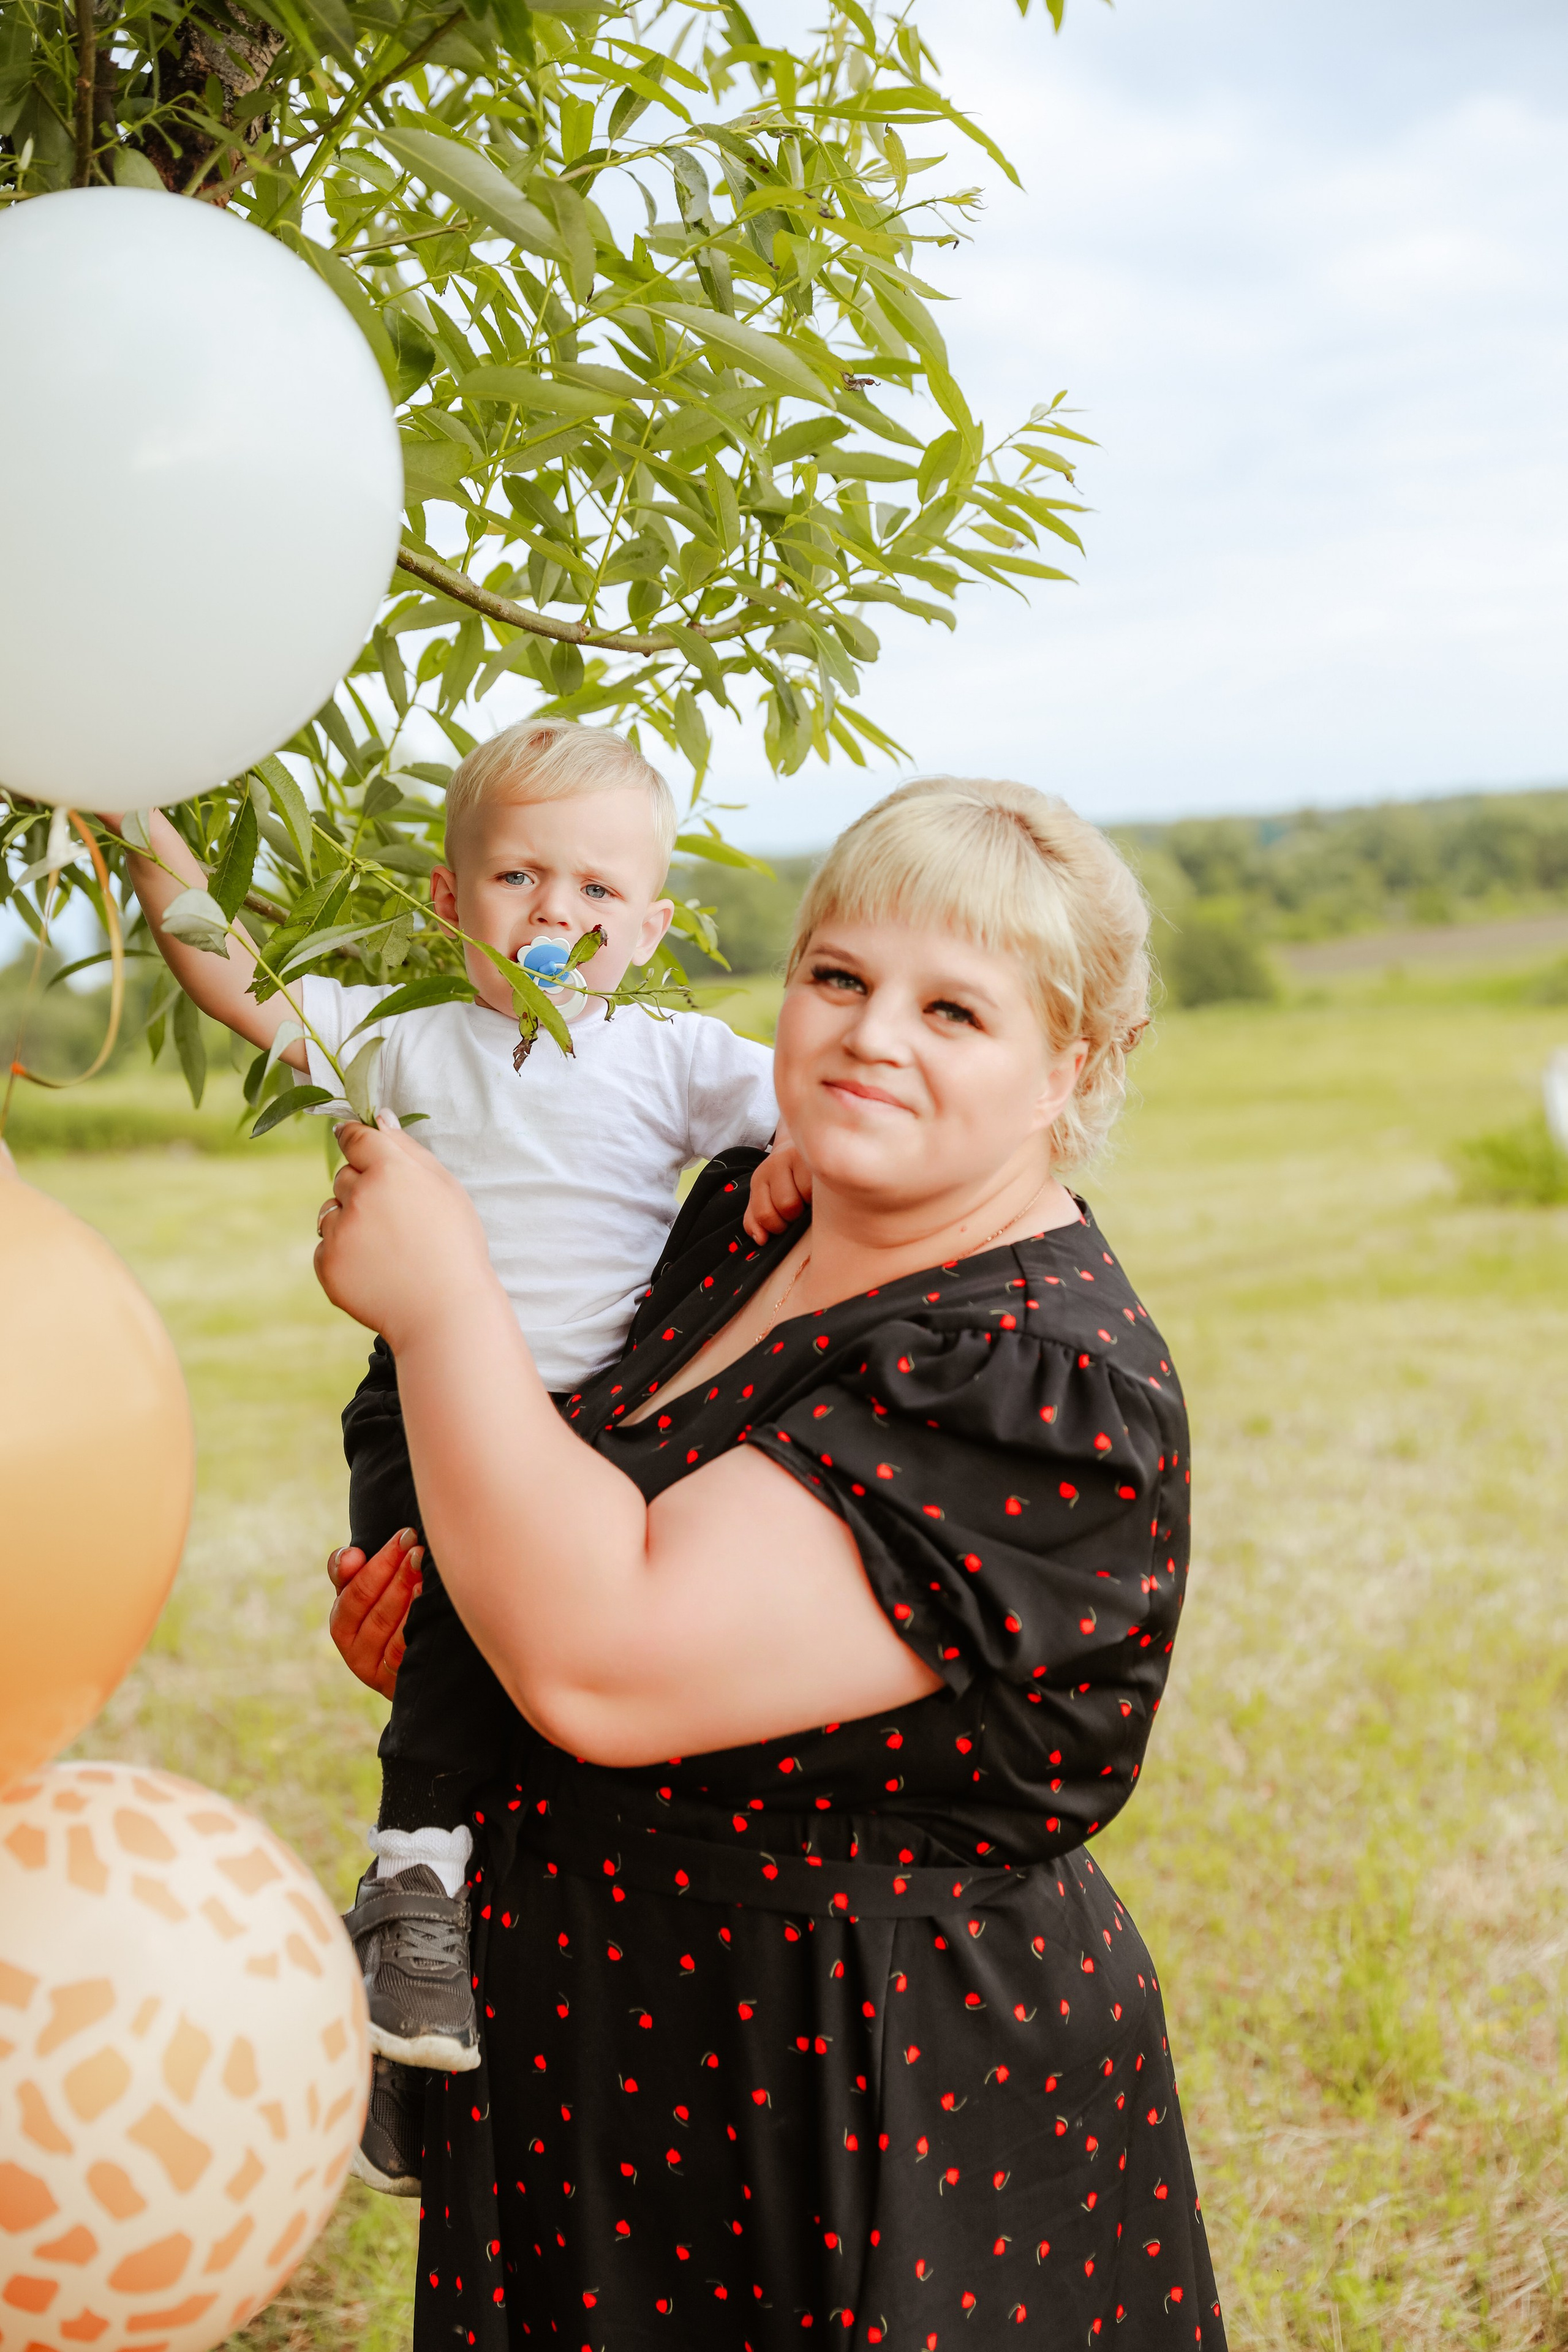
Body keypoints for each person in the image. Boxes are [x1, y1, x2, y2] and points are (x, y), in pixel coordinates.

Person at [317, 774, 1227, 2347]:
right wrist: (459, 1616)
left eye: (956, 1011)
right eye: (837, 977)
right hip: (590, 2051)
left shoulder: (1029, 1378)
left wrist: (439, 1298)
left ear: (1067, 1066)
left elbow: (606, 1658)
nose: (872, 1036)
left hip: (836, 2102)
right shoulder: (745, 1221)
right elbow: (570, 1545)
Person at [119, 720, 804, 2162]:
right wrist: (133, 814)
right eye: (516, 877)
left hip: (595, 1430)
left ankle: (423, 2051)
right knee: (436, 1629)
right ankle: (410, 1891)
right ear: (448, 903)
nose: (557, 914)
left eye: (599, 892)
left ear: (653, 922)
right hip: (425, 1401)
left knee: (553, 1711)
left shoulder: (667, 1059)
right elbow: (228, 968)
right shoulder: (398, 1042)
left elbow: (815, 1103)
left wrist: (790, 1150)